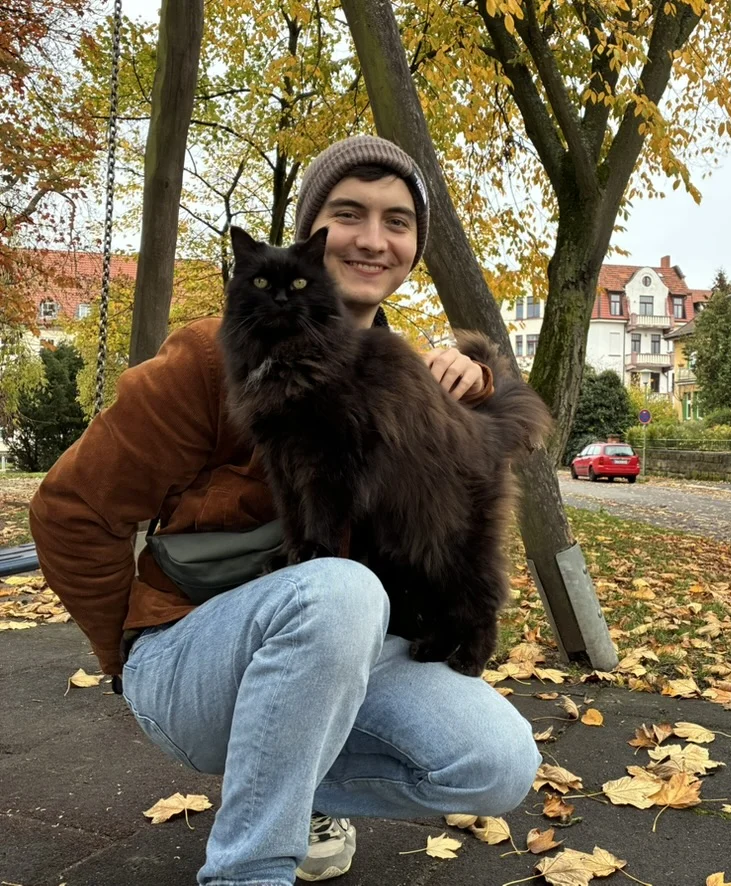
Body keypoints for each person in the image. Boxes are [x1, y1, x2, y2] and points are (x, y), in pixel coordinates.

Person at [29, 135, 541, 886]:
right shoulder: (208, 358)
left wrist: (480, 376)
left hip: (345, 649)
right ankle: (249, 870)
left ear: (413, 247)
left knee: (497, 764)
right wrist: (128, 656)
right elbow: (69, 512)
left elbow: (477, 473)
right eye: (348, 214)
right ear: (310, 236)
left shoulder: (404, 370)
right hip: (192, 652)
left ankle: (287, 784)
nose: (373, 238)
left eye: (397, 221)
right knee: (338, 586)